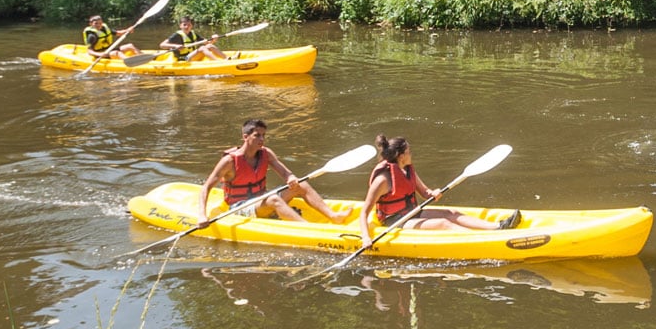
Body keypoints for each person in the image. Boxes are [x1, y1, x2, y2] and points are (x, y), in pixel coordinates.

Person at [362, 135, 521, 241]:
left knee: (451, 213)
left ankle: (498, 227)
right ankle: (484, 240)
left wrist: (433, 193)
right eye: (409, 152)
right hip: (395, 221)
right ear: (401, 156)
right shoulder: (383, 180)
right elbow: (364, 212)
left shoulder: (406, 170)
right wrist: (366, 238)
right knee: (443, 223)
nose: (412, 154)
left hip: (411, 213)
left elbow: (425, 193)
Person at [198, 119, 346, 223]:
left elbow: (286, 173)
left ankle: (333, 216)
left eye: (263, 135)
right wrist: (202, 216)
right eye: (257, 135)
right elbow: (206, 188)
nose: (261, 139)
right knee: (273, 199)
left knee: (302, 184)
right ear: (245, 137)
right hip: (239, 206)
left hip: (261, 199)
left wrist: (291, 179)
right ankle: (306, 229)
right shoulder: (229, 161)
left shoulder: (266, 153)